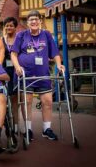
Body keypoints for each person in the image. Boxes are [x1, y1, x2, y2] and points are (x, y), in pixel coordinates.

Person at [11, 10, 65, 141]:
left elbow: (55, 53)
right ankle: (28, 129)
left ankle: (47, 129)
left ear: (40, 21)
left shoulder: (46, 35)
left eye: (36, 19)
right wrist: (17, 67)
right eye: (31, 20)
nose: (34, 22)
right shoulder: (21, 35)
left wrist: (59, 65)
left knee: (47, 102)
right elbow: (13, 54)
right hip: (26, 75)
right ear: (27, 23)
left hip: (43, 75)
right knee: (27, 102)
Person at [2, 17, 19, 133]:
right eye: (7, 26)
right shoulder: (1, 39)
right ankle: (6, 123)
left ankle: (16, 126)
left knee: (15, 101)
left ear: (15, 27)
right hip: (4, 71)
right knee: (4, 98)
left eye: (11, 26)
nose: (9, 28)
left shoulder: (19, 39)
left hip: (16, 70)